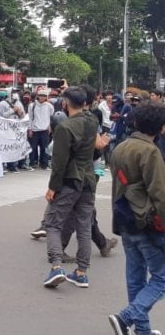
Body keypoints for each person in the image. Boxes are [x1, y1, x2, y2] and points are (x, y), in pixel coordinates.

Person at [108, 102, 165, 335]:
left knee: (135, 277)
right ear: (160, 127)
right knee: (161, 278)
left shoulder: (121, 146)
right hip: (147, 221)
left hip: (125, 218)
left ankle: (142, 330)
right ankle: (127, 317)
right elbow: (159, 194)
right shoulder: (150, 151)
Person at [42, 87, 98, 289]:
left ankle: (56, 266)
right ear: (84, 103)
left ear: (65, 103)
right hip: (88, 180)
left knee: (53, 224)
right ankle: (81, 272)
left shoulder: (64, 128)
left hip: (70, 180)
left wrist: (52, 188)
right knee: (84, 226)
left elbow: (59, 163)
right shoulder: (93, 121)